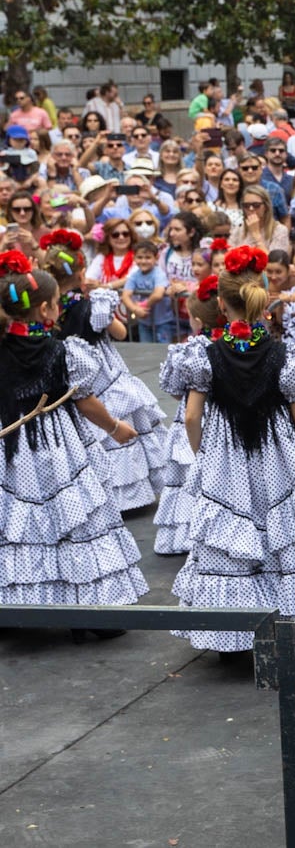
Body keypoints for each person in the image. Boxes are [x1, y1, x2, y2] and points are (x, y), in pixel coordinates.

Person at [169, 246, 295, 658]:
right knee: (286, 534)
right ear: (262, 298)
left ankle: (234, 635)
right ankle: (294, 622)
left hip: (226, 457)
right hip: (278, 457)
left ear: (220, 304)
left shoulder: (202, 353)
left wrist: (205, 456)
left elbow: (190, 417)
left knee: (230, 537)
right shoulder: (284, 353)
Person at [0, 252, 148, 635]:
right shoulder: (61, 351)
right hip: (59, 448)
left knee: (21, 525)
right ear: (49, 308)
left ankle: (21, 608)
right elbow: (86, 401)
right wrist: (116, 427)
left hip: (12, 450)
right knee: (74, 519)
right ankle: (90, 611)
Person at [40, 231, 169, 514]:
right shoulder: (94, 304)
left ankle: (99, 490)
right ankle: (130, 496)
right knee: (118, 422)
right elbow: (120, 332)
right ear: (81, 273)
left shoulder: (48, 307)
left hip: (71, 375)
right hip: (105, 373)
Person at [152, 274, 222, 555]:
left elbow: (174, 390)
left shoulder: (190, 350)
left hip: (192, 417)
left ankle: (188, 535)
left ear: (198, 320)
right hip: (222, 419)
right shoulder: (230, 345)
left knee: (188, 477)